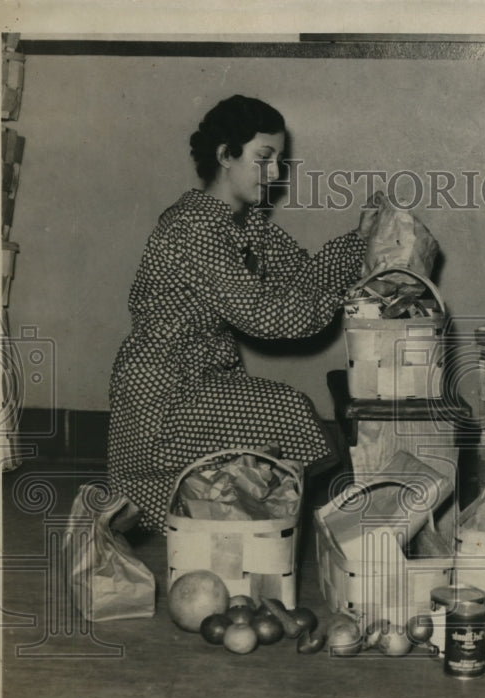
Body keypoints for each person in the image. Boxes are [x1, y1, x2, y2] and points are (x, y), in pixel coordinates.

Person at [107, 94, 400, 534]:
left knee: (263, 455)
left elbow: (302, 273)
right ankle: (328, 525)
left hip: (204, 379)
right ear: (226, 155)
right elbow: (268, 318)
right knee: (287, 412)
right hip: (161, 393)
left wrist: (359, 240)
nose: (276, 172)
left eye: (280, 160)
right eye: (264, 158)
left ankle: (277, 522)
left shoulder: (247, 222)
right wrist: (337, 291)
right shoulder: (195, 227)